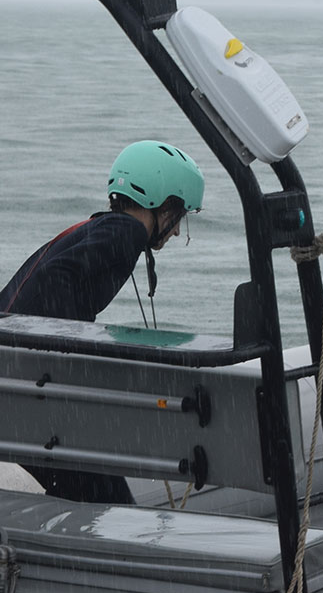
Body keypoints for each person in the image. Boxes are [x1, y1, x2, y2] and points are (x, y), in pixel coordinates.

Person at [0, 140, 204, 503]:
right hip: (29, 384)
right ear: (163, 204)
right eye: (180, 215)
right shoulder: (126, 233)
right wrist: (77, 344)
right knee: (111, 502)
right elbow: (54, 278)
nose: (175, 232)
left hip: (19, 379)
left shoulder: (103, 228)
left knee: (100, 490)